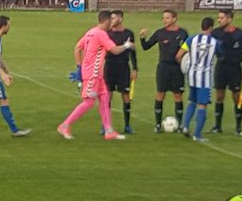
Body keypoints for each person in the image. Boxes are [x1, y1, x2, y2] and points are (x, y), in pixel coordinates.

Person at [58, 10, 131, 141]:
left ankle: (108, 130)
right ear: (107, 21)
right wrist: (126, 45)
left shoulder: (90, 32)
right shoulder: (101, 34)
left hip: (96, 74)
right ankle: (65, 125)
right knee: (88, 102)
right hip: (93, 73)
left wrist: (79, 67)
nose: (113, 23)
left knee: (104, 99)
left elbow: (77, 48)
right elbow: (114, 50)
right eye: (112, 20)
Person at [139, 9, 189, 132]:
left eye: (167, 18)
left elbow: (188, 50)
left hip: (177, 68)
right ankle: (157, 125)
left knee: (177, 95)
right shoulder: (160, 33)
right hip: (163, 67)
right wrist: (142, 38)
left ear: (174, 18)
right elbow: (146, 47)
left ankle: (179, 124)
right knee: (160, 93)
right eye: (163, 18)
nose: (164, 20)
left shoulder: (183, 33)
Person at [212, 9, 242, 136]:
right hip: (221, 67)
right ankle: (217, 126)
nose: (219, 20)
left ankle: (238, 127)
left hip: (235, 68)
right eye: (219, 18)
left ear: (229, 19)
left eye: (222, 18)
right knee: (219, 96)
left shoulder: (240, 34)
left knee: (236, 97)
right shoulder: (215, 33)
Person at [177, 16, 217, 141]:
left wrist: (185, 67)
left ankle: (185, 126)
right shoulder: (215, 42)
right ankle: (197, 135)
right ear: (211, 27)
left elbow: (178, 55)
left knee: (192, 101)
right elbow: (222, 56)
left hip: (192, 76)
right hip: (204, 78)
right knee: (202, 105)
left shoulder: (191, 39)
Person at [105, 9, 139, 135]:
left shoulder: (128, 33)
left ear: (121, 19)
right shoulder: (107, 33)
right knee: (107, 96)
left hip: (123, 67)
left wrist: (135, 68)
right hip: (109, 67)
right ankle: (106, 125)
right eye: (111, 18)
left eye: (114, 18)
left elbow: (132, 51)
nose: (112, 21)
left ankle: (127, 125)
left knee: (125, 96)